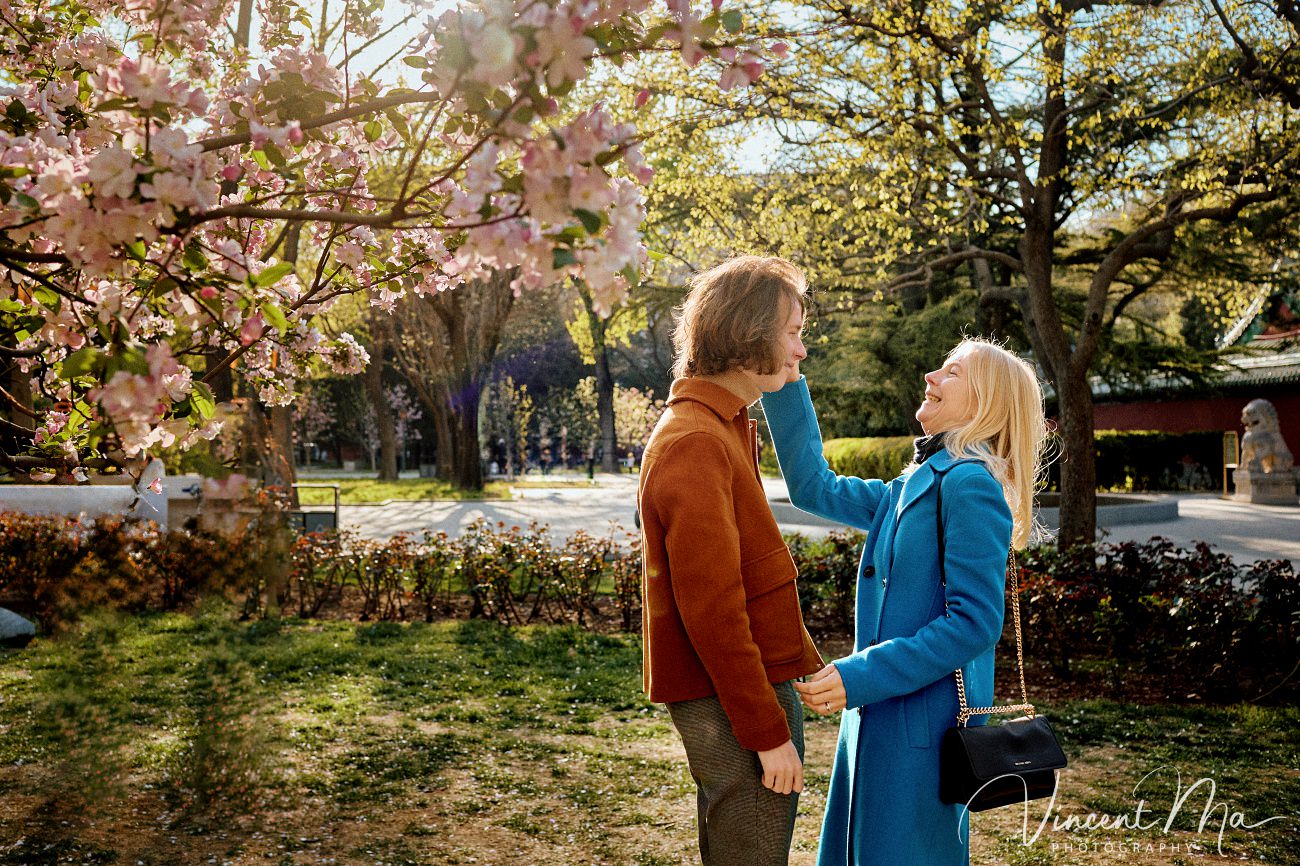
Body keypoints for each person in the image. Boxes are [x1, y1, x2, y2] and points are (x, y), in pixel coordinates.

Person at [761, 337, 1048, 866]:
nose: (930, 377)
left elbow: (974, 624)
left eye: (952, 372)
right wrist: (785, 379)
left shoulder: (970, 485)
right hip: (876, 719)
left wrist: (860, 675)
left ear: (986, 402)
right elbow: (811, 486)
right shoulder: (913, 481)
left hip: (921, 731)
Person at [639, 255, 824, 866]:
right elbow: (713, 612)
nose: (801, 351)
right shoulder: (696, 440)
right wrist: (768, 732)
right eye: (793, 333)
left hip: (750, 687)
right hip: (736, 696)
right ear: (748, 339)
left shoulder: (722, 424)